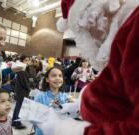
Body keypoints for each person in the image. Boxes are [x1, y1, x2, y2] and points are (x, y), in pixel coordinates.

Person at [35, 0, 139, 135]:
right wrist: (77, 106)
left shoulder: (132, 31)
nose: (90, 39)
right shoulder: (121, 38)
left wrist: (73, 131)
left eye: (85, 28)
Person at [34, 67, 71, 135]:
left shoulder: (66, 97)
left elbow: (69, 117)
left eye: (60, 76)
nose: (58, 78)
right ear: (47, 79)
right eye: (54, 75)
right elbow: (34, 119)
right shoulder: (40, 97)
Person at [11, 55, 30, 129]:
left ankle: (16, 120)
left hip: (21, 90)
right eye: (26, 60)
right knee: (18, 107)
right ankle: (15, 121)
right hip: (21, 91)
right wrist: (29, 88)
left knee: (19, 106)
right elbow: (24, 82)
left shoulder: (24, 68)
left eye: (28, 60)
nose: (27, 62)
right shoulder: (22, 69)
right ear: (22, 61)